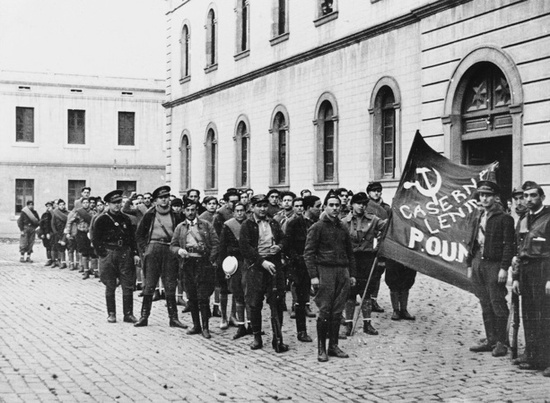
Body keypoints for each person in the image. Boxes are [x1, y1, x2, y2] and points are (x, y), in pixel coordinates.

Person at [304, 191, 356, 362]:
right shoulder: (317, 227)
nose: (335, 208)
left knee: (337, 310)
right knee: (325, 310)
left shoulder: (343, 227)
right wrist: (313, 276)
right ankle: (321, 348)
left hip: (342, 272)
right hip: (325, 271)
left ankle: (333, 345)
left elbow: (350, 253)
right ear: (325, 207)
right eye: (331, 205)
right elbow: (308, 254)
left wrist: (352, 274)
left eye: (337, 205)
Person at [466, 176, 514, 357]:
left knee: (497, 302)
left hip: (494, 265)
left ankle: (502, 342)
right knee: (485, 302)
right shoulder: (479, 216)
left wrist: (504, 268)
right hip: (478, 262)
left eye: (488, 195)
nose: (484, 198)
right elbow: (472, 242)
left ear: (495, 197)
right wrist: (469, 264)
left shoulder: (505, 218)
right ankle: (491, 339)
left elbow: (509, 245)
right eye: (481, 195)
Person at [239, 194, 288, 352]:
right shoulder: (247, 225)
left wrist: (279, 247)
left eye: (265, 206)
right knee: (255, 303)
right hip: (256, 267)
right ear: (252, 207)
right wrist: (262, 262)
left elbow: (284, 239)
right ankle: (257, 337)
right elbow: (245, 248)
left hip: (273, 266)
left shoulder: (273, 222)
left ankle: (277, 339)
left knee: (277, 302)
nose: (262, 209)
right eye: (259, 206)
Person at [511, 181, 550, 376]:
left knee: (546, 315)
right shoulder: (524, 219)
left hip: (543, 270)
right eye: (525, 196)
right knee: (529, 315)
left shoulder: (548, 218)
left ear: (542, 197)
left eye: (533, 195)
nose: (528, 199)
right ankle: (533, 355)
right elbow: (519, 251)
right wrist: (516, 277)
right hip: (526, 271)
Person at [134, 186, 187, 329]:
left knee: (170, 284)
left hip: (169, 249)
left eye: (166, 197)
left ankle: (173, 318)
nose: (164, 200)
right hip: (153, 249)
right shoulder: (150, 215)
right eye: (161, 198)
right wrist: (145, 250)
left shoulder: (176, 215)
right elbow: (139, 235)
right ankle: (144, 317)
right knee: (150, 284)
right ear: (156, 200)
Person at [170, 199, 219, 338]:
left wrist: (210, 259)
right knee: (191, 296)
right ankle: (196, 325)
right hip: (187, 263)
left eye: (193, 210)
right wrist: (179, 250)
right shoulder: (180, 227)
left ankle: (205, 327)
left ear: (196, 210)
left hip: (203, 263)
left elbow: (216, 244)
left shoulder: (206, 225)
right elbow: (172, 245)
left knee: (203, 296)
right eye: (188, 210)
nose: (190, 213)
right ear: (184, 211)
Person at [341, 192, 386, 336]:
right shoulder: (343, 222)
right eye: (358, 203)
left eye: (364, 204)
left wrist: (379, 246)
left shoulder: (373, 220)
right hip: (351, 259)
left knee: (366, 292)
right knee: (350, 293)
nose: (361, 206)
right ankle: (348, 324)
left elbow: (386, 228)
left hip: (367, 259)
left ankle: (367, 324)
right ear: (352, 204)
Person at [93, 190, 140, 323]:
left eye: (119, 202)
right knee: (110, 283)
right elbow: (96, 239)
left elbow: (132, 238)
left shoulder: (126, 219)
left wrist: (135, 253)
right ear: (108, 204)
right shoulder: (102, 219)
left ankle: (128, 314)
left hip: (124, 253)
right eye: (114, 203)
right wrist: (103, 254)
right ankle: (111, 313)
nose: (117, 205)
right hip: (109, 253)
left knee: (127, 284)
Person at [285, 196, 319, 343]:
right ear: (309, 208)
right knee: (301, 300)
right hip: (299, 266)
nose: (320, 209)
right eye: (317, 206)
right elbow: (288, 245)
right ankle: (301, 331)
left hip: (316, 264)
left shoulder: (318, 223)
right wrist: (298, 260)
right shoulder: (294, 223)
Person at [218, 202, 249, 339]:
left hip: (245, 261)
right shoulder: (228, 225)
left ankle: (234, 315)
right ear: (233, 212)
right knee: (229, 288)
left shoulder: (249, 224)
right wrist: (223, 265)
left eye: (242, 210)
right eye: (237, 211)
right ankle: (224, 317)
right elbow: (222, 246)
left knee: (242, 289)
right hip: (232, 261)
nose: (240, 213)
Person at [212, 191, 240, 321]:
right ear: (227, 203)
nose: (235, 204)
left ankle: (233, 315)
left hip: (238, 256)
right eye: (232, 202)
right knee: (223, 286)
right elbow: (217, 238)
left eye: (236, 201)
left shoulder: (242, 215)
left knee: (236, 287)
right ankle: (223, 317)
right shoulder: (219, 216)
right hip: (223, 255)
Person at [366, 181, 391, 313]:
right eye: (374, 191)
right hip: (367, 243)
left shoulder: (386, 208)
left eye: (379, 190)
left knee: (378, 272)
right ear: (368, 192)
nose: (377, 193)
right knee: (366, 272)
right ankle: (365, 298)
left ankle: (373, 299)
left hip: (381, 243)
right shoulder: (365, 206)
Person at [51, 199, 69, 268]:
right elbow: (53, 224)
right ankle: (60, 262)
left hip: (65, 232)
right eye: (60, 205)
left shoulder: (67, 213)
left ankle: (65, 262)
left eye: (63, 205)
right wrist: (55, 232)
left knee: (66, 247)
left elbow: (68, 222)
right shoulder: (55, 213)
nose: (62, 206)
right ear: (58, 206)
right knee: (59, 247)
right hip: (58, 232)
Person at [39, 201, 54, 266]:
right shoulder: (44, 215)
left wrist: (49, 233)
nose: (48, 207)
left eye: (50, 206)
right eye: (47, 206)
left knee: (53, 246)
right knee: (47, 246)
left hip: (52, 232)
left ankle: (54, 260)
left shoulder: (53, 214)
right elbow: (41, 224)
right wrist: (42, 233)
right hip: (45, 233)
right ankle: (49, 259)